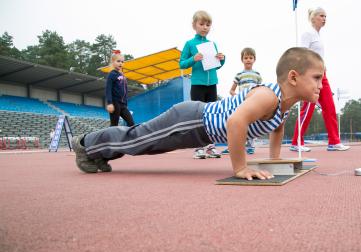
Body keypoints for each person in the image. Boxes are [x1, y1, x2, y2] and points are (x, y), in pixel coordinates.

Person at [72, 47, 325, 180]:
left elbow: (276, 128)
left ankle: (96, 154)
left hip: (198, 133)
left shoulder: (283, 107)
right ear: (293, 77)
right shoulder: (268, 95)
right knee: (138, 139)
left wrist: (274, 160)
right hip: (191, 119)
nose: (320, 85)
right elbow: (236, 122)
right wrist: (240, 168)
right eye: (316, 78)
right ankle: (85, 144)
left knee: (144, 145)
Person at [290, 7, 350, 152]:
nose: (324, 19)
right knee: (308, 108)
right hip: (311, 75)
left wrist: (323, 66)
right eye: (322, 16)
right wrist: (306, 75)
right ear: (313, 18)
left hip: (323, 75)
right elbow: (302, 54)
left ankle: (334, 142)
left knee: (330, 107)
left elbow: (317, 55)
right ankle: (296, 142)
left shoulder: (318, 35)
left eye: (325, 16)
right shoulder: (307, 33)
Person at [179, 10, 225, 159]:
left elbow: (217, 65)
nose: (205, 27)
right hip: (197, 84)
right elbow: (182, 64)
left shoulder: (213, 44)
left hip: (212, 84)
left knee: (212, 117)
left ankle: (211, 147)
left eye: (208, 24)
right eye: (202, 24)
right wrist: (194, 58)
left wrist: (222, 59)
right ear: (194, 25)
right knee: (198, 116)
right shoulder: (190, 44)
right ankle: (198, 148)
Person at [222, 47, 262, 155]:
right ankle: (232, 146)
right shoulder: (239, 75)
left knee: (251, 123)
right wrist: (238, 96)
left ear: (254, 59)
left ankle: (250, 145)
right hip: (241, 103)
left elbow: (261, 89)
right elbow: (231, 90)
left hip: (253, 103)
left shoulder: (257, 75)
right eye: (246, 58)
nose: (248, 60)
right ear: (242, 60)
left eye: (251, 57)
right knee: (236, 123)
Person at [105, 50, 135, 127]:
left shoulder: (122, 75)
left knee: (131, 123)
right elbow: (108, 90)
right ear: (113, 62)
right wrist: (109, 103)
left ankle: (129, 138)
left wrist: (126, 104)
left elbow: (125, 90)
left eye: (122, 62)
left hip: (123, 105)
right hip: (115, 103)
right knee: (114, 124)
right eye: (118, 61)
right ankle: (108, 138)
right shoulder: (112, 74)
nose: (120, 63)